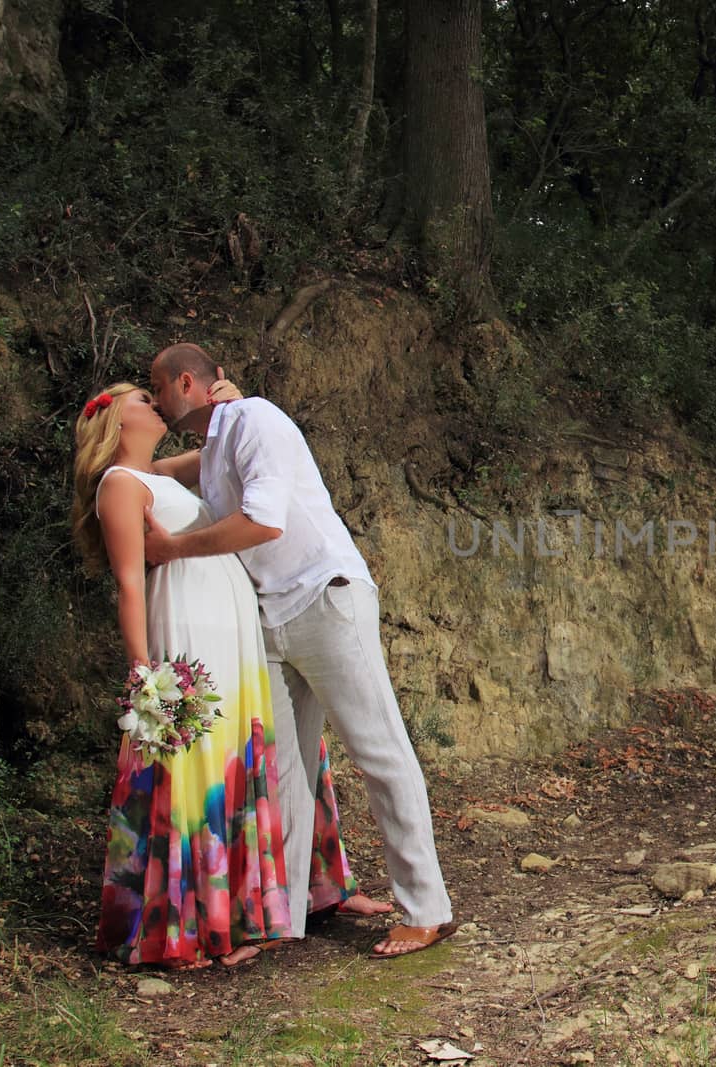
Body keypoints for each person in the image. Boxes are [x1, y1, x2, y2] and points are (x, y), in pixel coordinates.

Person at [145, 344, 454, 957]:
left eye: (157, 389)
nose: (154, 399)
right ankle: (279, 919)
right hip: (269, 618)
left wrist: (174, 550)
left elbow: (263, 522)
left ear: (188, 382)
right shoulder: (214, 445)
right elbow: (155, 472)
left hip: (325, 599)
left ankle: (428, 909)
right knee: (283, 770)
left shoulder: (256, 418)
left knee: (379, 752)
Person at [72, 383, 386, 969]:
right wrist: (145, 670)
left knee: (263, 761)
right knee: (198, 770)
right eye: (143, 397)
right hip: (189, 629)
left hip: (236, 631)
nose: (155, 402)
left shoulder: (160, 475)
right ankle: (191, 920)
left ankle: (294, 897)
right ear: (117, 419)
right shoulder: (119, 484)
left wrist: (231, 406)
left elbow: (226, 445)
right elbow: (131, 582)